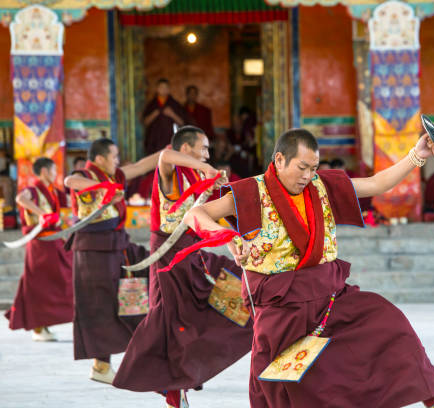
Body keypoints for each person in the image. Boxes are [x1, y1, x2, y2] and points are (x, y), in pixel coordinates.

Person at [185, 128, 434, 408]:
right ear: (279, 159)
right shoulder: (252, 191)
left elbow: (376, 184)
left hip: (330, 297)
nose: (308, 175)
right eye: (301, 167)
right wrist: (228, 236)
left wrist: (417, 155)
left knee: (390, 324)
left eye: (313, 168)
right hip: (282, 307)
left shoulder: (322, 185)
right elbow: (194, 215)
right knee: (283, 387)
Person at [113, 126, 253, 408]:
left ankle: (186, 373)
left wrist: (230, 242)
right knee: (171, 318)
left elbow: (208, 215)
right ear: (186, 149)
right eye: (204, 148)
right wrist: (208, 168)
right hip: (168, 255)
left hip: (192, 253)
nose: (207, 154)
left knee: (238, 288)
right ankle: (172, 388)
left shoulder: (194, 175)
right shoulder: (170, 172)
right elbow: (165, 155)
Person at [64, 138, 162, 384]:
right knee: (100, 304)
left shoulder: (114, 177)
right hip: (93, 251)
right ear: (99, 159)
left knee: (138, 289)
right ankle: (101, 365)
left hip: (117, 246)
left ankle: (146, 351)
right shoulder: (85, 175)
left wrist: (168, 151)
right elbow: (70, 181)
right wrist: (103, 189)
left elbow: (141, 166)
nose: (117, 161)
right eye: (114, 156)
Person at [4, 157, 73, 342]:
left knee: (59, 279)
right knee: (41, 284)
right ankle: (39, 327)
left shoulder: (51, 192)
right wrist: (44, 214)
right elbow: (20, 198)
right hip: (40, 245)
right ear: (43, 171)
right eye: (53, 170)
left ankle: (43, 325)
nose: (55, 174)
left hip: (53, 242)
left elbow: (67, 204)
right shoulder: (32, 190)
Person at [143, 78, 189, 155]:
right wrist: (154, 114)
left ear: (169, 89)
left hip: (170, 139)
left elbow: (182, 123)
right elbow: (145, 122)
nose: (163, 90)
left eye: (166, 88)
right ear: (157, 89)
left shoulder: (174, 104)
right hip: (154, 141)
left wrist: (172, 114)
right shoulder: (151, 104)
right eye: (161, 87)